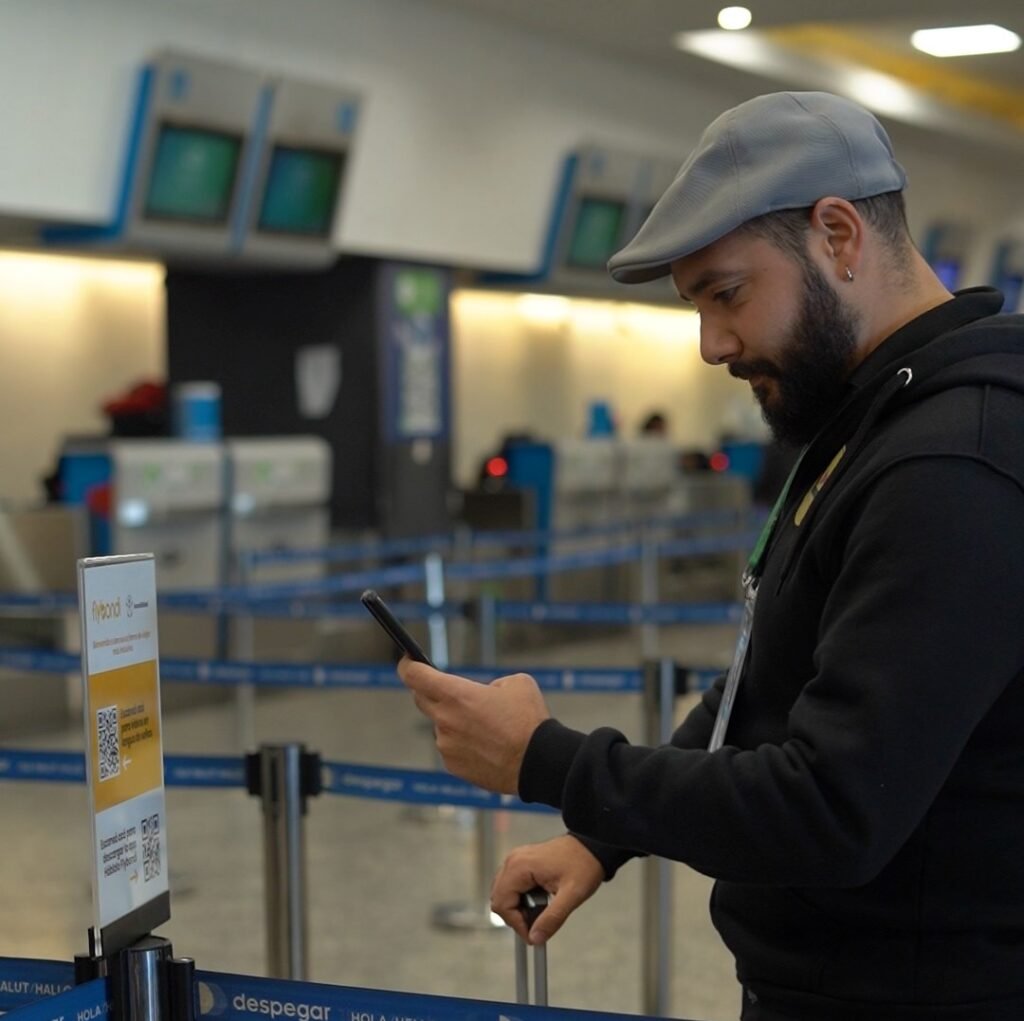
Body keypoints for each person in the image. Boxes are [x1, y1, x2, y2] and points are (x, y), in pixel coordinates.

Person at [398, 91, 1024, 1020]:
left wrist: (548, 760)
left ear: (838, 235)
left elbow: (833, 809)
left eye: (727, 294)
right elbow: (767, 685)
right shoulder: (871, 423)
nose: (711, 344)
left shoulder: (951, 464)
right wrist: (602, 835)